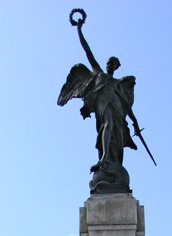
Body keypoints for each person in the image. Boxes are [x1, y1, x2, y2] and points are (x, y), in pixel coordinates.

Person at [58, 12, 141, 181]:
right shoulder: (99, 75)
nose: (110, 65)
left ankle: (108, 162)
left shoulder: (117, 85)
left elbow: (126, 107)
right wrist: (79, 30)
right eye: (109, 62)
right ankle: (103, 160)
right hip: (103, 111)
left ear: (117, 67)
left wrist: (136, 125)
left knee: (116, 144)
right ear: (106, 64)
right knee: (107, 125)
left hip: (117, 114)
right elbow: (87, 50)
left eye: (113, 63)